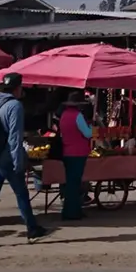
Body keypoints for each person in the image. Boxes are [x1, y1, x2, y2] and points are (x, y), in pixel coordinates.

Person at [0, 73, 51, 247]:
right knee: (22, 194)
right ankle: (32, 229)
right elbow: (14, 137)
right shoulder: (14, 106)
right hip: (7, 158)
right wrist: (18, 162)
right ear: (18, 87)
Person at [59, 91, 93, 221]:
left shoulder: (64, 115)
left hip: (67, 151)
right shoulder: (77, 116)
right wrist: (91, 126)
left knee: (70, 183)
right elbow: (87, 133)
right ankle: (72, 212)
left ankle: (71, 210)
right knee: (75, 183)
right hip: (78, 152)